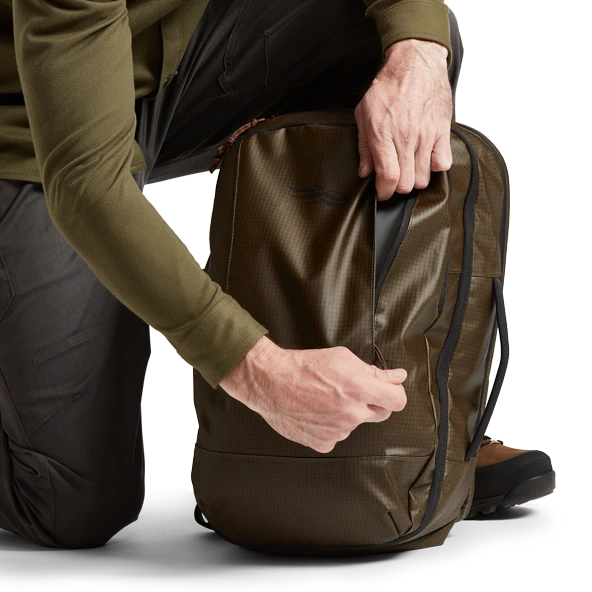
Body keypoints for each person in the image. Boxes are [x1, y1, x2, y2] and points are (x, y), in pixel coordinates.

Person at [0, 0, 553, 550]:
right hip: (34, 118)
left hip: (166, 52)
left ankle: (423, 443)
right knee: (69, 505)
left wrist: (419, 51)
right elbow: (85, 182)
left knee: (399, 42)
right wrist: (255, 369)